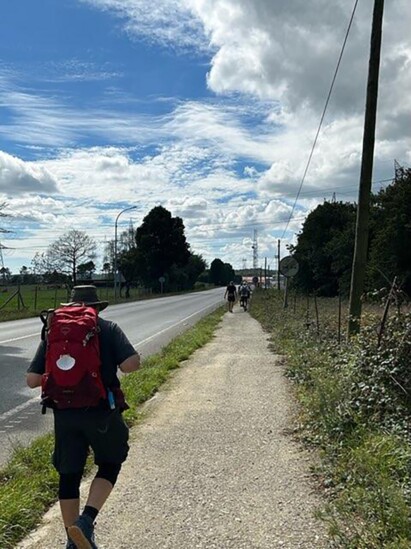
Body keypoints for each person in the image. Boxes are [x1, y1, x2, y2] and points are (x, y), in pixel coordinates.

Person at [26, 285, 141, 549]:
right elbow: (130, 365)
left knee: (69, 475)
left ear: (71, 306)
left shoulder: (54, 333)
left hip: (64, 415)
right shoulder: (108, 328)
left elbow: (32, 380)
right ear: (97, 307)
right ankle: (86, 522)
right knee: (111, 462)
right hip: (101, 412)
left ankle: (72, 541)